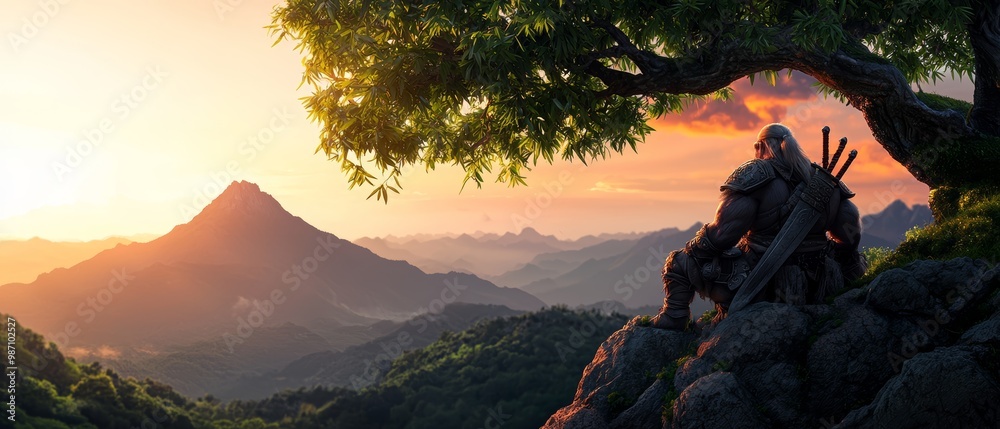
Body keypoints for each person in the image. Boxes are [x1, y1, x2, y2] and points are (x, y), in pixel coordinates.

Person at [651, 123, 867, 331]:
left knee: (679, 261)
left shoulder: (757, 175)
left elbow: (722, 235)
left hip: (763, 280)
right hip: (822, 281)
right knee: (851, 259)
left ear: (761, 146)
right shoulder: (824, 180)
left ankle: (674, 317)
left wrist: (695, 248)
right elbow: (850, 237)